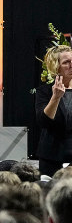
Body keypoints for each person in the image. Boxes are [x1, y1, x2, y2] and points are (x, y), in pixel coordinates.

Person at [35, 44, 72, 175]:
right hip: (52, 157)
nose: (71, 65)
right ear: (57, 67)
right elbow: (43, 122)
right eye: (66, 62)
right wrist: (56, 97)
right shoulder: (45, 91)